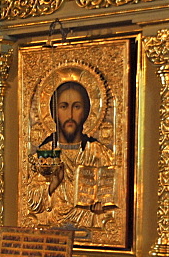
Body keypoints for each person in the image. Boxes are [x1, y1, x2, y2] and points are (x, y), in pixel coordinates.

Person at [26, 80, 116, 231]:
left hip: (88, 230)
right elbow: (31, 202)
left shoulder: (100, 154)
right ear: (54, 112)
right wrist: (53, 184)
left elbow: (112, 199)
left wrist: (102, 208)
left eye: (77, 106)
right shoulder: (43, 155)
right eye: (64, 107)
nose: (70, 115)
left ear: (86, 111)